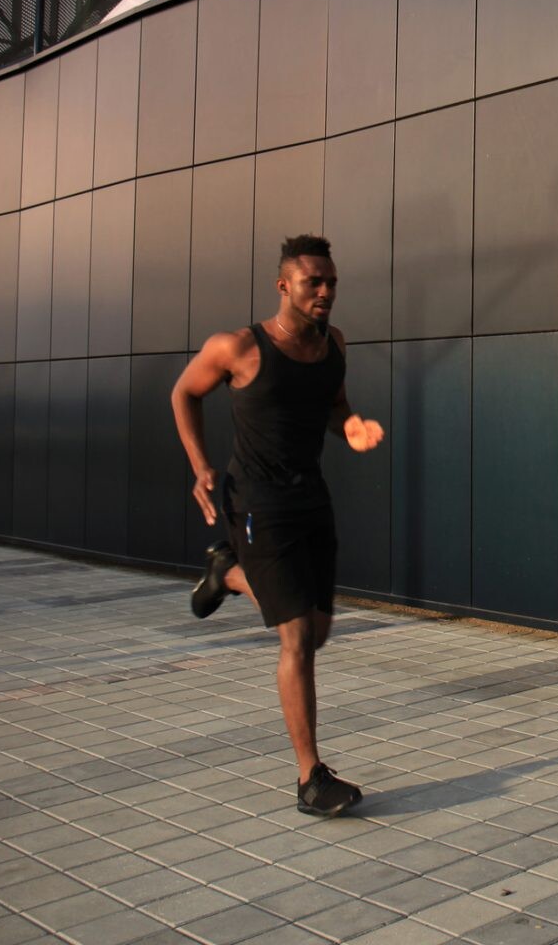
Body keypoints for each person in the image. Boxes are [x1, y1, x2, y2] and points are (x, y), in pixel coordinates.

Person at [170, 234, 384, 817]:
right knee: (296, 640)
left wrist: (353, 428)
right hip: (257, 502)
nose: (325, 291)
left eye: (332, 282)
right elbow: (184, 393)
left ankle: (226, 573)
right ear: (284, 285)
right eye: (314, 282)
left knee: (317, 632)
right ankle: (310, 777)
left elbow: (336, 407)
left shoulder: (334, 344)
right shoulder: (239, 346)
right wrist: (200, 465)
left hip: (311, 498)